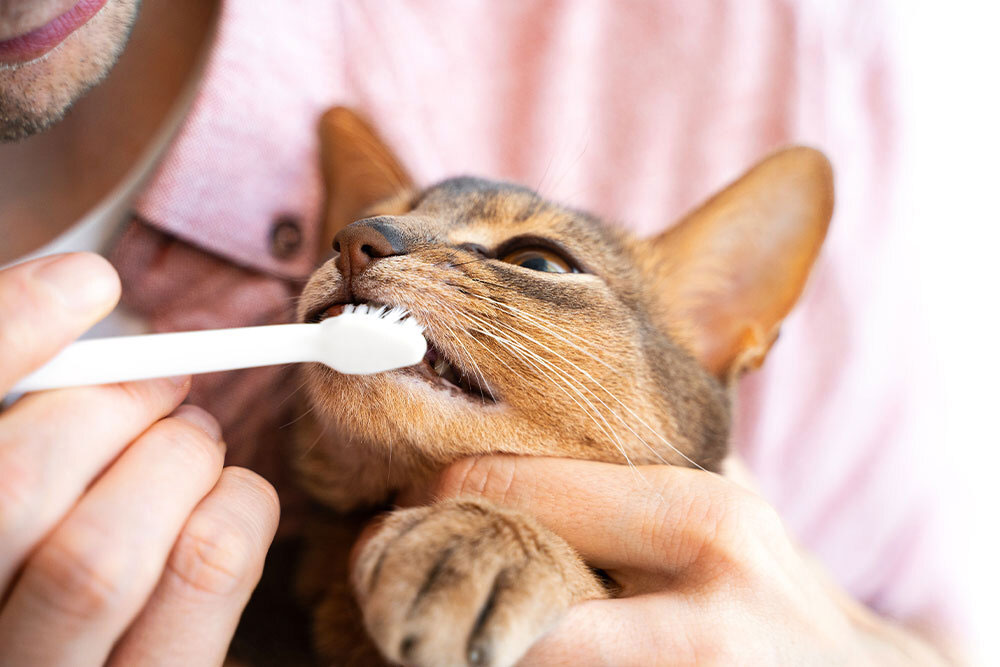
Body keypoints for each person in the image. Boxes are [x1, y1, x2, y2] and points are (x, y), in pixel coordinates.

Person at [0, 0, 963, 663]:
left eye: (538, 261)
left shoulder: (783, 46)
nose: (366, 243)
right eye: (375, 224)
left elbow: (937, 615)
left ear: (717, 336)